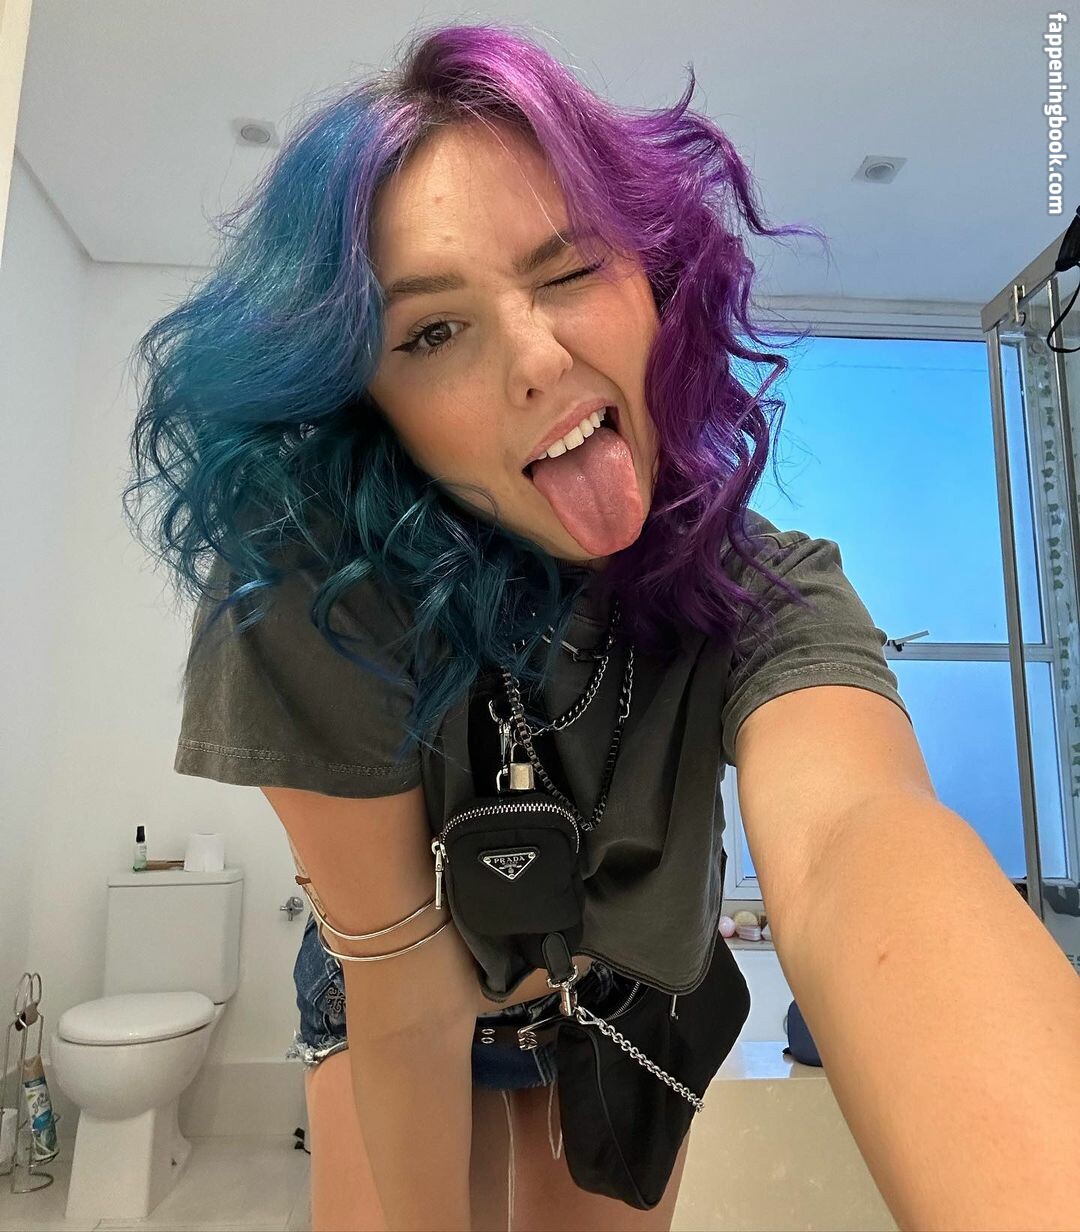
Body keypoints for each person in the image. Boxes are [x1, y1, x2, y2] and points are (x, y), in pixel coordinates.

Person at [125, 20, 1080, 1232]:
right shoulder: (318, 587)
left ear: (654, 280)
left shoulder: (764, 592)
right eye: (432, 332)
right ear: (366, 403)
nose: (537, 359)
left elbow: (857, 836)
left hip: (629, 993)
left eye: (569, 270)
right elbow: (405, 977)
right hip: (401, 975)